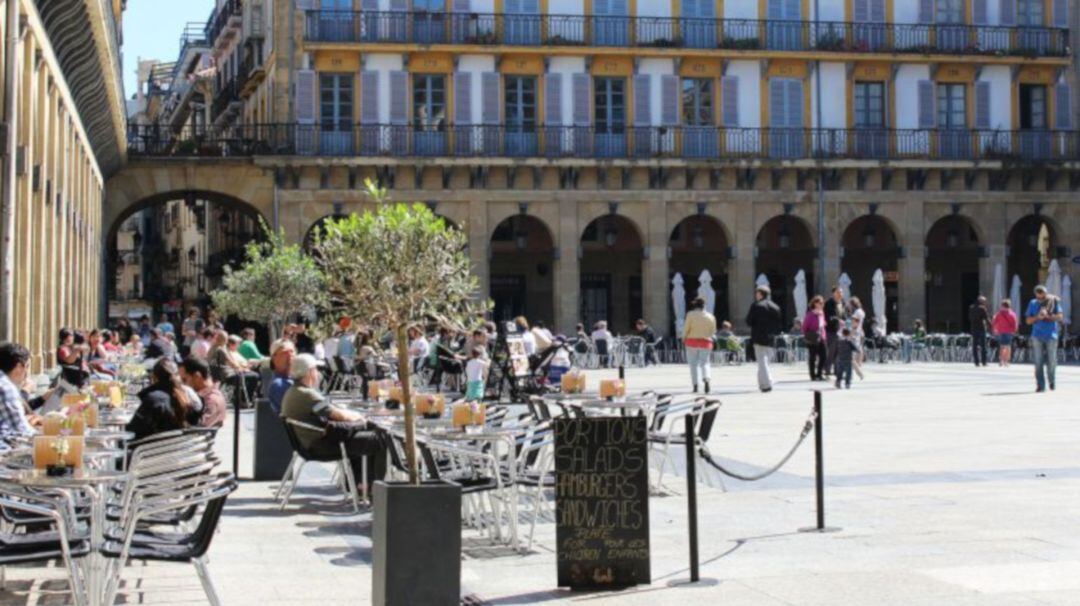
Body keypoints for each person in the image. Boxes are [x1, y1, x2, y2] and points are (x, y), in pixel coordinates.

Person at [281, 354, 387, 494]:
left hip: (308, 444)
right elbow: (338, 415)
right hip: (319, 446)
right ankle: (374, 489)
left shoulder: (295, 391)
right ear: (309, 372)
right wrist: (360, 416)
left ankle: (358, 484)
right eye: (316, 369)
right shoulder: (307, 395)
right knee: (379, 439)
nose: (318, 373)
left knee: (360, 435)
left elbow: (331, 412)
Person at [126, 359, 202, 442]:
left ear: (154, 378)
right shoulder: (187, 395)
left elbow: (132, 431)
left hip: (151, 450)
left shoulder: (154, 399)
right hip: (180, 447)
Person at [0, 342, 40, 449]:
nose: (27, 373)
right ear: (18, 366)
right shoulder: (5, 386)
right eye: (26, 367)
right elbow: (21, 430)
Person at [1026, 285, 1063, 392]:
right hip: (1037, 335)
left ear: (1046, 294)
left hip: (1051, 335)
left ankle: (1052, 380)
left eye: (1042, 297)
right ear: (1036, 295)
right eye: (1038, 297)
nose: (1040, 299)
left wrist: (1048, 317)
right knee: (1038, 361)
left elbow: (1060, 317)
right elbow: (1028, 321)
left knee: (1052, 360)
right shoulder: (1032, 303)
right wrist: (1038, 317)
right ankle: (1040, 385)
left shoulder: (1053, 301)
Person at [746, 286, 782, 393]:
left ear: (760, 294)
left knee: (762, 362)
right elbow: (779, 324)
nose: (756, 295)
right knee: (765, 362)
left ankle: (766, 384)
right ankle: (762, 383)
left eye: (757, 293)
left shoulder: (756, 305)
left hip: (758, 337)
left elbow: (749, 321)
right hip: (771, 338)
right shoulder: (775, 307)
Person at [180, 357, 226, 428]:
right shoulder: (207, 395)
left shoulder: (211, 399)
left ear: (197, 376)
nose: (182, 385)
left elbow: (199, 428)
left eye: (184, 380)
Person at [683, 297, 717, 394]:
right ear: (704, 306)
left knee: (693, 365)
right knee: (705, 363)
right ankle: (706, 379)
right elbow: (713, 331)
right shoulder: (711, 316)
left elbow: (686, 328)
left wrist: (684, 338)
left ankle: (695, 385)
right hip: (706, 342)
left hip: (691, 341)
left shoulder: (690, 315)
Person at [266, 339, 296, 413]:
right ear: (274, 358)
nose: (290, 355)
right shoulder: (279, 384)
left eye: (292, 351)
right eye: (285, 353)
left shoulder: (299, 379)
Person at [803, 295, 828, 381]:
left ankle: (819, 374)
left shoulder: (822, 313)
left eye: (822, 303)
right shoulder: (810, 314)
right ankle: (813, 376)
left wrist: (824, 324)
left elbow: (823, 324)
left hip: (821, 337)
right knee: (812, 357)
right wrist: (809, 335)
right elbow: (804, 327)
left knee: (824, 356)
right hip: (812, 337)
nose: (822, 305)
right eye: (820, 303)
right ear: (815, 304)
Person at [823, 287, 846, 376]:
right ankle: (827, 369)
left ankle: (837, 370)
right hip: (831, 330)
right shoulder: (828, 303)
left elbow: (844, 315)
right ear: (833, 293)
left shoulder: (843, 303)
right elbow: (828, 316)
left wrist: (845, 321)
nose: (840, 294)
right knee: (831, 351)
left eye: (841, 292)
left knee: (839, 352)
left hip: (841, 331)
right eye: (838, 292)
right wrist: (837, 320)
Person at [992, 300, 1019, 367]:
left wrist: (994, 329)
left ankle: (1002, 360)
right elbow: (1015, 323)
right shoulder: (1012, 314)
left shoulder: (999, 314)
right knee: (1007, 347)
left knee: (1002, 346)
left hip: (1001, 331)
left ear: (1003, 306)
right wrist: (1014, 330)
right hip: (1009, 332)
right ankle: (1006, 361)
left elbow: (994, 321)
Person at [969, 295, 991, 367]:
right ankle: (984, 362)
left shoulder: (971, 308)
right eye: (984, 301)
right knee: (983, 346)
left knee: (974, 346)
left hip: (974, 328)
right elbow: (986, 318)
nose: (985, 302)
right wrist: (992, 325)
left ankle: (976, 362)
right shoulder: (982, 308)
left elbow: (970, 317)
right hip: (981, 328)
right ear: (981, 301)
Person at [848, 297, 866, 380]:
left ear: (852, 304)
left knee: (850, 356)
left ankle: (859, 373)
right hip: (858, 335)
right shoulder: (862, 312)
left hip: (854, 336)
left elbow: (855, 324)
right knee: (857, 353)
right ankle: (854, 371)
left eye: (850, 305)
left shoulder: (856, 313)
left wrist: (850, 334)